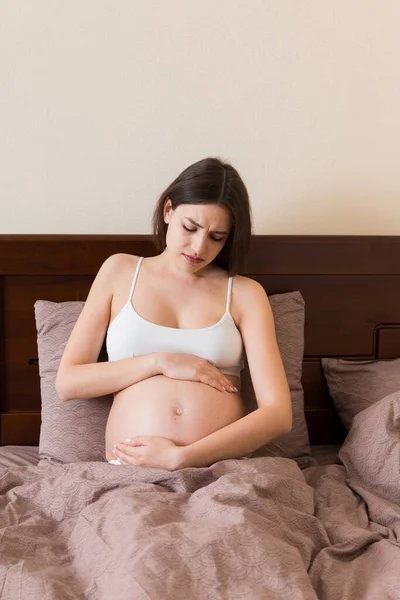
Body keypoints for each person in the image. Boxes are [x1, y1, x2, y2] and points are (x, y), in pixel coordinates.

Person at [55, 157, 292, 470]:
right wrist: (161, 362)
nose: (198, 247)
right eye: (190, 227)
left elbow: (278, 414)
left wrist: (182, 457)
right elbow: (68, 382)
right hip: (131, 473)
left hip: (220, 470)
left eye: (216, 237)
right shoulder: (120, 270)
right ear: (168, 211)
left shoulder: (246, 294)